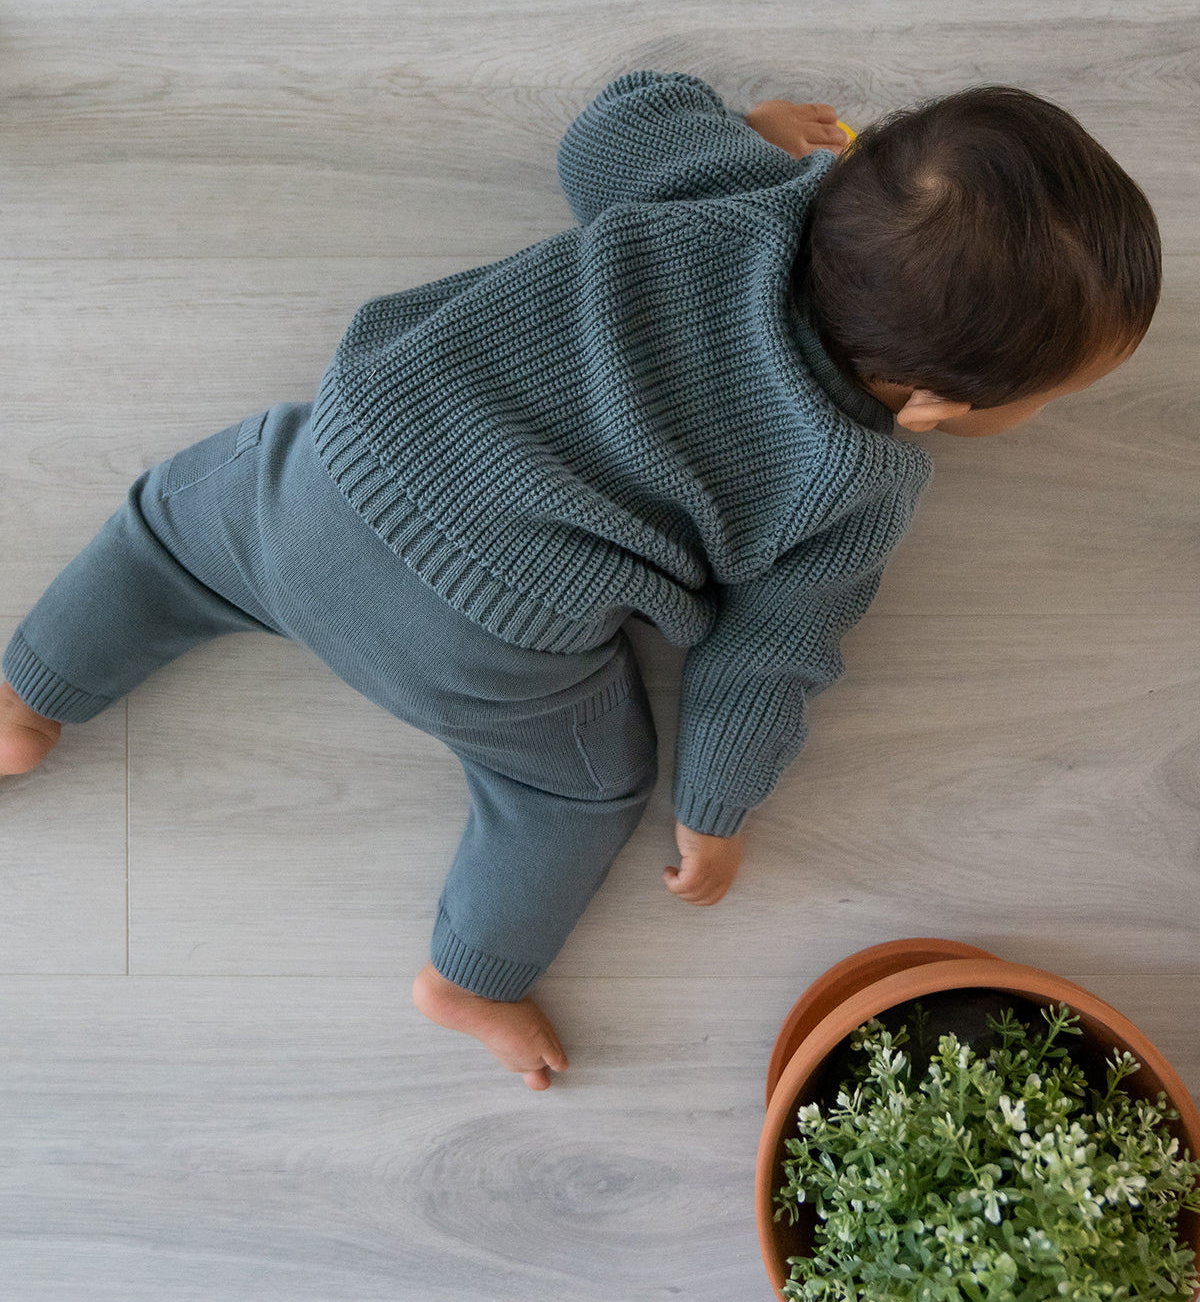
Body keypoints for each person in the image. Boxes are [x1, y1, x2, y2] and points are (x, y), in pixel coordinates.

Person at [0, 71, 1161, 1088]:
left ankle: (27, 695)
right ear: (934, 409)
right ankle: (471, 977)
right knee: (573, 797)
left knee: (160, 536)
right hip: (489, 640)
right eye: (1045, 399)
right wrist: (715, 812)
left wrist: (742, 121)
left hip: (330, 475)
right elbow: (769, 658)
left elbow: (609, 125)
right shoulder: (858, 481)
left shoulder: (727, 188)